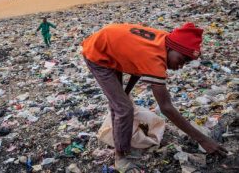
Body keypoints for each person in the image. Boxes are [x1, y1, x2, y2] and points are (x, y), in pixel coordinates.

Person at [82, 23, 227, 173]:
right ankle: (120, 157)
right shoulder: (154, 58)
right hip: (97, 53)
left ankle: (118, 139)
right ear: (172, 49)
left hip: (111, 45)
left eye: (185, 63)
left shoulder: (164, 41)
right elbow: (166, 108)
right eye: (181, 59)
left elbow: (138, 67)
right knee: (124, 108)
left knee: (120, 104)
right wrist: (203, 140)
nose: (181, 66)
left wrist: (125, 92)